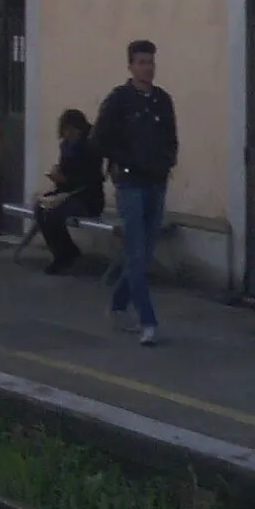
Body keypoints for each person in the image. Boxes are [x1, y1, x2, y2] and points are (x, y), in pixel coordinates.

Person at [91, 39, 178, 346]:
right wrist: (124, 160)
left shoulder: (162, 101)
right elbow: (98, 138)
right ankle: (147, 321)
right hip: (129, 183)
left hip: (156, 181)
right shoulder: (119, 100)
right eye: (141, 63)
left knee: (146, 251)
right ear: (130, 66)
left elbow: (171, 137)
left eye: (151, 62)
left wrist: (168, 161)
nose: (147, 68)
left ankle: (117, 304)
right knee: (137, 252)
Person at [36, 107, 105, 275]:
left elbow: (90, 178)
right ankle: (65, 250)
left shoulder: (90, 147)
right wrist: (58, 173)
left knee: (54, 215)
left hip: (87, 198)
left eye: (70, 130)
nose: (67, 134)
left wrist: (66, 179)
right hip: (67, 192)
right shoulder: (66, 146)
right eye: (65, 131)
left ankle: (63, 256)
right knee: (40, 208)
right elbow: (67, 170)